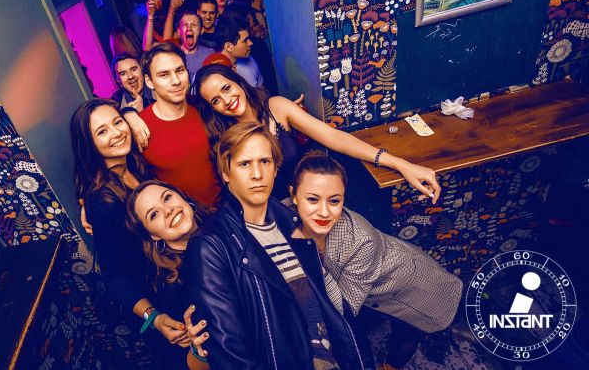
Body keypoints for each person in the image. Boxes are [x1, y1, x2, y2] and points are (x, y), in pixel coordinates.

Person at [182, 122, 370, 369]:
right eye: (244, 164)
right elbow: (232, 354)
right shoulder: (209, 246)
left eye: (265, 161)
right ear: (226, 173)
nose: (257, 174)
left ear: (275, 168)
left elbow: (323, 303)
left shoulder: (289, 218)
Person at [289, 152, 462, 370]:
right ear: (293, 196)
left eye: (334, 201)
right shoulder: (282, 214)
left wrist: (308, 250)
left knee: (408, 331)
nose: (323, 212)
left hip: (416, 285)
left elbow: (341, 311)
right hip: (375, 290)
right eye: (312, 199)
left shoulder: (362, 241)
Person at [192, 65, 442, 200]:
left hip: (313, 201)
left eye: (226, 88)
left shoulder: (276, 107)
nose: (226, 100)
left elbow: (334, 138)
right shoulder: (231, 140)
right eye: (215, 100)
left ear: (237, 81)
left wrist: (400, 164)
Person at [70, 99, 189, 366]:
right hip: (160, 300)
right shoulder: (103, 201)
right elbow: (113, 276)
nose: (116, 133)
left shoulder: (133, 164)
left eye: (117, 122)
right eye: (102, 131)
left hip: (177, 277)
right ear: (90, 144)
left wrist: (129, 112)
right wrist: (154, 318)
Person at [127, 180, 212, 370]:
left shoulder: (224, 223)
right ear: (153, 235)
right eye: (154, 214)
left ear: (182, 197)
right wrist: (198, 348)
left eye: (167, 198)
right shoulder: (174, 288)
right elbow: (189, 365)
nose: (167, 211)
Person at [126, 43, 222, 207]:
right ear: (149, 81)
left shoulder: (204, 107)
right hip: (183, 218)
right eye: (164, 75)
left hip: (225, 209)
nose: (176, 81)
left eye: (179, 71)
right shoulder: (139, 126)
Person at [214, 15, 264, 88]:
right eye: (245, 41)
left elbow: (261, 89)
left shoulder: (249, 59)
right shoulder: (215, 73)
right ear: (228, 47)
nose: (250, 43)